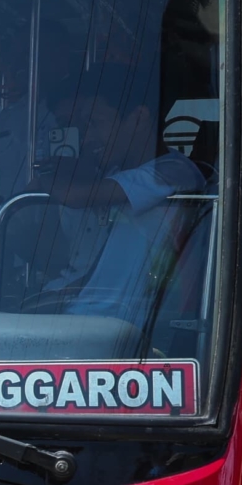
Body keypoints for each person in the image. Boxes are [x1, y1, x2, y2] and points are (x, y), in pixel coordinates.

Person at [47, 97, 210, 321]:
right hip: (91, 314)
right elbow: (100, 268)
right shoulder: (117, 174)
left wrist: (45, 182)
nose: (86, 138)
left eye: (94, 123)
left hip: (125, 323)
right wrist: (60, 296)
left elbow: (76, 196)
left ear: (139, 118)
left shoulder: (174, 171)